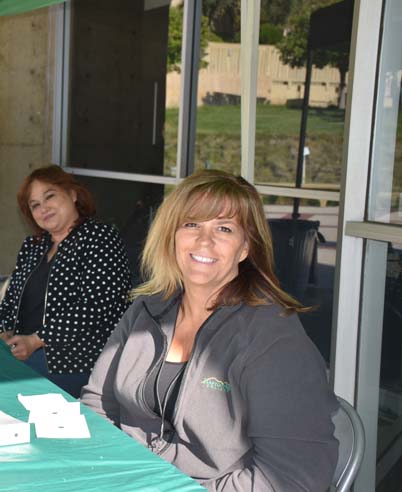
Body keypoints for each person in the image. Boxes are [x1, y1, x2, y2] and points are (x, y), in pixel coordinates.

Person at [80, 170, 338, 490]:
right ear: (171, 235)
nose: (205, 240)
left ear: (245, 249)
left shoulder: (273, 339)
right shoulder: (144, 311)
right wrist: (108, 470)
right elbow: (99, 404)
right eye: (192, 224)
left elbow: (294, 477)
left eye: (224, 228)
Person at [0, 166, 131, 398]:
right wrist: (3, 333)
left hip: (76, 360)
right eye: (34, 204)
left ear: (73, 194)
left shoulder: (100, 237)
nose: (43, 208)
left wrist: (37, 340)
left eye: (50, 196)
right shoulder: (33, 246)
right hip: (25, 350)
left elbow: (96, 306)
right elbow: (10, 300)